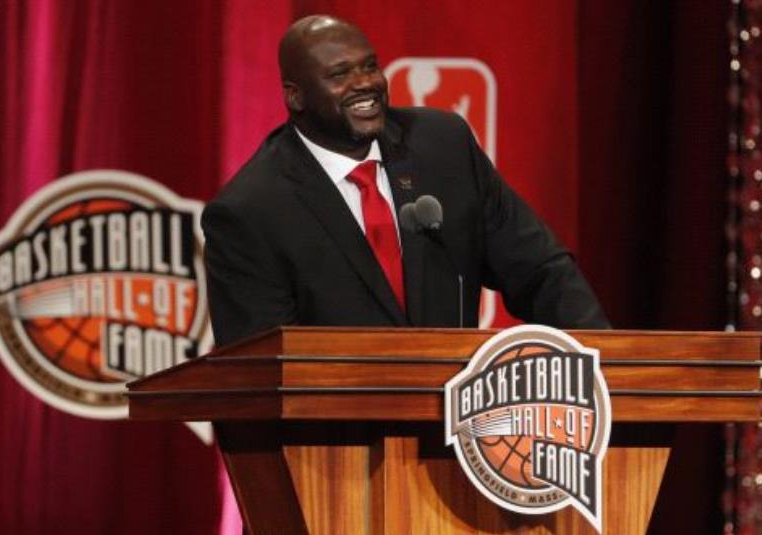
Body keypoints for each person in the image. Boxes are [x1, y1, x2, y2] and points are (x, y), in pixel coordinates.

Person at [202, 15, 609, 347]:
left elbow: (539, 269)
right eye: (340, 74)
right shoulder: (252, 211)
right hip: (336, 441)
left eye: (370, 66)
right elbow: (260, 370)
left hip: (458, 430)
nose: (366, 84)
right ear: (295, 97)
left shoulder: (443, 146)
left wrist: (603, 360)